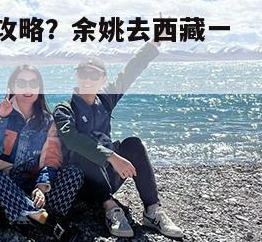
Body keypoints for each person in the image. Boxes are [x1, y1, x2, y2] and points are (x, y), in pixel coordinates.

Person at [53, 41, 184, 238]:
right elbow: (72, 140)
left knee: (133, 144)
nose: (87, 79)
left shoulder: (105, 100)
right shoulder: (64, 109)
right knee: (85, 147)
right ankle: (110, 208)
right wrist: (112, 156)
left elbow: (130, 72)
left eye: (94, 75)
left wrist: (154, 44)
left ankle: (152, 210)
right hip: (82, 184)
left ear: (103, 79)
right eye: (83, 74)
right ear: (76, 75)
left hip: (108, 177)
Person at [0, 65, 84, 240]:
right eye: (21, 83)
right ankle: (45, 221)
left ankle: (28, 217)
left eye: (33, 83)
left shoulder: (48, 121)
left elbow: (51, 158)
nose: (27, 88)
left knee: (74, 173)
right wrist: (1, 118)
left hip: (32, 184)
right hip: (5, 185)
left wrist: (41, 188)